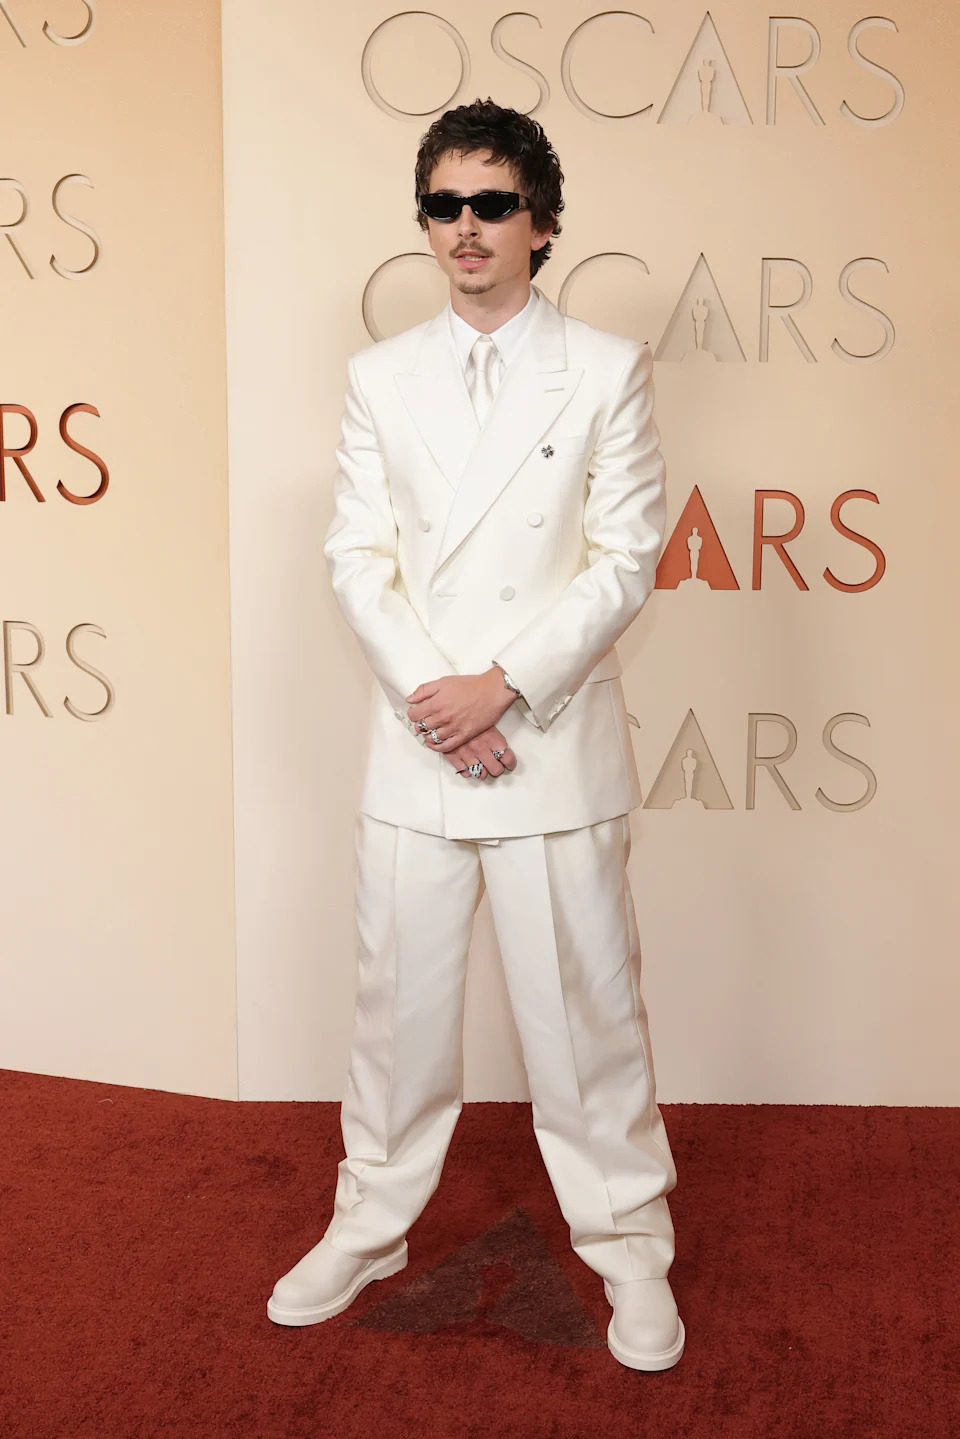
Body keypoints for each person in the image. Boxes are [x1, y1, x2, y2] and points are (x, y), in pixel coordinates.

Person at [267, 97, 684, 1371]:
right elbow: (357, 557)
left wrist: (502, 686)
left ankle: (630, 1247)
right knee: (395, 1017)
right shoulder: (379, 376)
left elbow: (624, 559)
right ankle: (370, 1225)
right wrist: (435, 700)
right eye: (444, 203)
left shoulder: (605, 368)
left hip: (546, 742)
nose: (465, 226)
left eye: (491, 203)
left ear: (540, 222)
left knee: (587, 1022)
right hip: (420, 745)